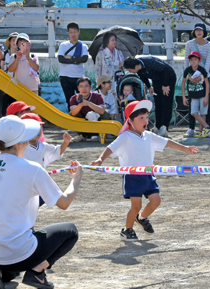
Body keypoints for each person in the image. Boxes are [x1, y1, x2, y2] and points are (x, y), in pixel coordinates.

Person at [0, 115, 83, 289]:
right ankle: (37, 272)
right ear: (20, 143)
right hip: (18, 251)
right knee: (71, 231)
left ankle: (1, 270)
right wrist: (76, 179)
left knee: (16, 250)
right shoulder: (32, 168)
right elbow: (64, 202)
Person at [90, 100, 198, 241]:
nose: (145, 120)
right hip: (132, 177)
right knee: (136, 206)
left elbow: (166, 142)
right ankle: (127, 230)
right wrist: (100, 159)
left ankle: (141, 218)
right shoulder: (125, 137)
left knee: (156, 201)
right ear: (130, 120)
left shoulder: (149, 136)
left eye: (146, 117)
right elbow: (110, 148)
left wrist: (184, 148)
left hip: (148, 175)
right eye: (141, 118)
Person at [126, 57, 177, 137]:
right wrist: (150, 87)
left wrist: (166, 85)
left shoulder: (150, 63)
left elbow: (165, 70)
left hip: (168, 78)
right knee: (158, 102)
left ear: (135, 66)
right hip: (156, 80)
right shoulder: (139, 70)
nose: (130, 72)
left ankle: (164, 127)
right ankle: (158, 126)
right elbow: (143, 77)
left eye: (130, 70)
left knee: (166, 102)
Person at [184, 22, 210, 137]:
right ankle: (191, 128)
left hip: (204, 77)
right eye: (196, 30)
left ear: (204, 32)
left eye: (201, 30)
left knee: (204, 104)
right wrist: (189, 77)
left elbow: (208, 63)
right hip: (191, 78)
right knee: (192, 103)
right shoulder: (189, 44)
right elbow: (186, 62)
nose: (198, 32)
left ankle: (202, 130)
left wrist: (201, 77)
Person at [58, 22, 89, 112]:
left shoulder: (83, 46)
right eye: (71, 32)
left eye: (75, 32)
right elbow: (61, 59)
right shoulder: (63, 45)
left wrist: (70, 58)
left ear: (78, 32)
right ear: (68, 33)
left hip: (78, 77)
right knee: (69, 100)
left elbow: (84, 59)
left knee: (82, 99)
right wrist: (76, 59)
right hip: (65, 77)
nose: (73, 34)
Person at [70, 76, 109, 142]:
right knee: (71, 114)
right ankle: (82, 135)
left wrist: (88, 103)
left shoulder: (98, 96)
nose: (84, 89)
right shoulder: (74, 98)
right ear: (78, 88)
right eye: (81, 86)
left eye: (86, 86)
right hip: (84, 124)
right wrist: (81, 104)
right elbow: (73, 113)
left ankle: (100, 134)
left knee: (105, 113)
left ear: (91, 87)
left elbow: (102, 111)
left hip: (98, 123)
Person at [94, 31, 124, 100]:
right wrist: (99, 84)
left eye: (115, 40)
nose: (114, 42)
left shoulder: (119, 53)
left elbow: (123, 68)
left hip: (117, 82)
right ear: (107, 41)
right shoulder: (101, 54)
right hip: (106, 83)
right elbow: (97, 71)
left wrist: (122, 65)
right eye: (112, 40)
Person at [1, 32, 19, 116]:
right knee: (4, 106)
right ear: (9, 42)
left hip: (17, 83)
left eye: (16, 40)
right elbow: (1, 68)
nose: (14, 42)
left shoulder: (21, 54)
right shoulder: (5, 54)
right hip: (6, 83)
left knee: (15, 105)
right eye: (13, 40)